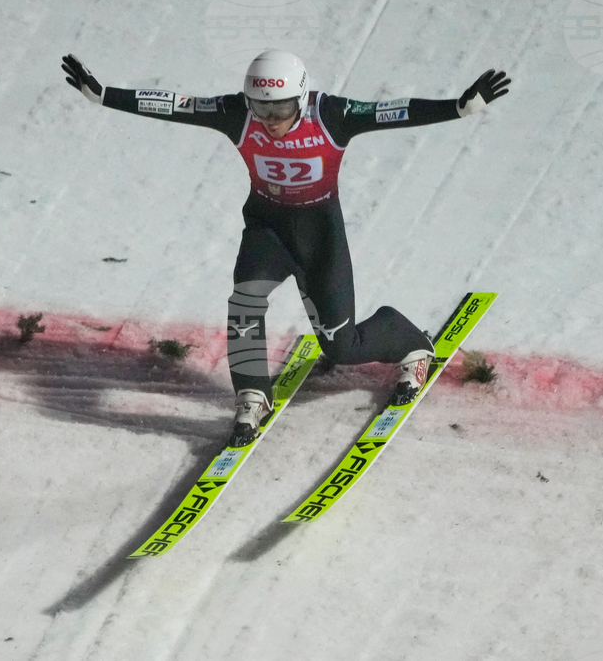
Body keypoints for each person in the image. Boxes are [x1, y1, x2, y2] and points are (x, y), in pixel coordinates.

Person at [61, 50, 510, 447]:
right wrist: (105, 96)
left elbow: (393, 111)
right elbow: (176, 106)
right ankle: (253, 396)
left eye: (281, 108)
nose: (271, 119)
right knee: (244, 302)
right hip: (268, 229)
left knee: (341, 347)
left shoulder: (331, 114)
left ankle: (408, 340)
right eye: (261, 108)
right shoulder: (237, 113)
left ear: (301, 97)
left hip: (320, 236)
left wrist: (456, 108)